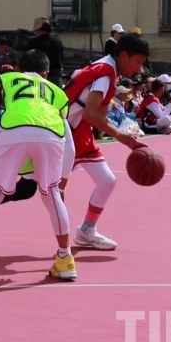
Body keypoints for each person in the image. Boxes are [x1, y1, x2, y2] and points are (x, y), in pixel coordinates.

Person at [0, 49, 76, 283]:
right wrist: (63, 178)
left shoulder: (7, 79)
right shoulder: (57, 91)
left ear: (20, 69)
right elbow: (67, 137)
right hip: (51, 134)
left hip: (12, 130)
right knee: (52, 195)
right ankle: (65, 259)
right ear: (46, 72)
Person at [62, 33, 149, 251]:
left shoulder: (107, 70)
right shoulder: (104, 73)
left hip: (79, 135)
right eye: (138, 62)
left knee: (107, 181)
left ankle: (87, 230)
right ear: (124, 55)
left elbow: (97, 115)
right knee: (31, 186)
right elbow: (91, 113)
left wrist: (123, 135)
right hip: (62, 135)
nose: (139, 68)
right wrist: (120, 136)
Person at [26, 17, 64, 87]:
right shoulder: (58, 41)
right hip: (56, 77)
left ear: (39, 29)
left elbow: (28, 60)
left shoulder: (33, 43)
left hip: (39, 78)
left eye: (35, 30)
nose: (34, 32)